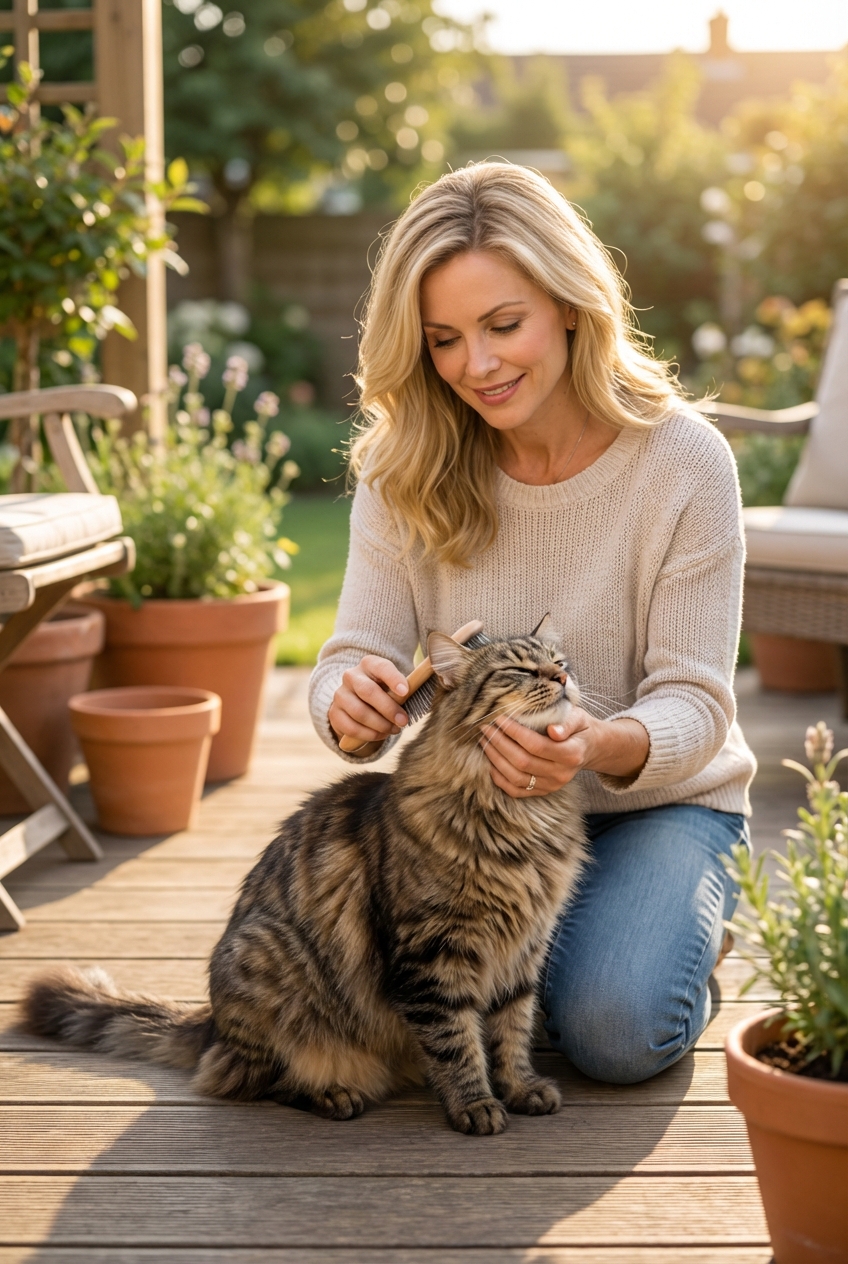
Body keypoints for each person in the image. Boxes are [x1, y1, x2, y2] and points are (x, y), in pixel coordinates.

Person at [308, 162, 755, 1084]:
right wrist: (344, 704)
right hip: (472, 832)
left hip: (652, 803)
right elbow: (354, 651)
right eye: (443, 340)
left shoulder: (684, 464)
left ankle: (683, 921)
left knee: (612, 1028)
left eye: (503, 325)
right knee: (452, 993)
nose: (478, 365)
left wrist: (596, 744)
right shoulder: (405, 469)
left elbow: (697, 703)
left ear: (569, 304)